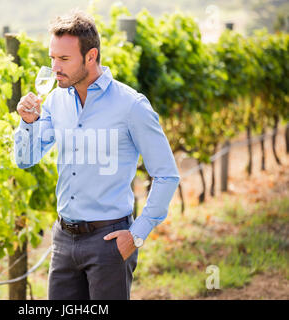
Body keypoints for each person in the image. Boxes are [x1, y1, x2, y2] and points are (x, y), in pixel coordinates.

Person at [13, 10, 180, 300]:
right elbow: (25, 159)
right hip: (63, 240)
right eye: (52, 58)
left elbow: (167, 174)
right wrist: (27, 124)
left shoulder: (131, 106)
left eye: (64, 60)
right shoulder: (54, 101)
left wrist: (136, 234)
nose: (55, 68)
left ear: (91, 56)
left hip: (110, 241)